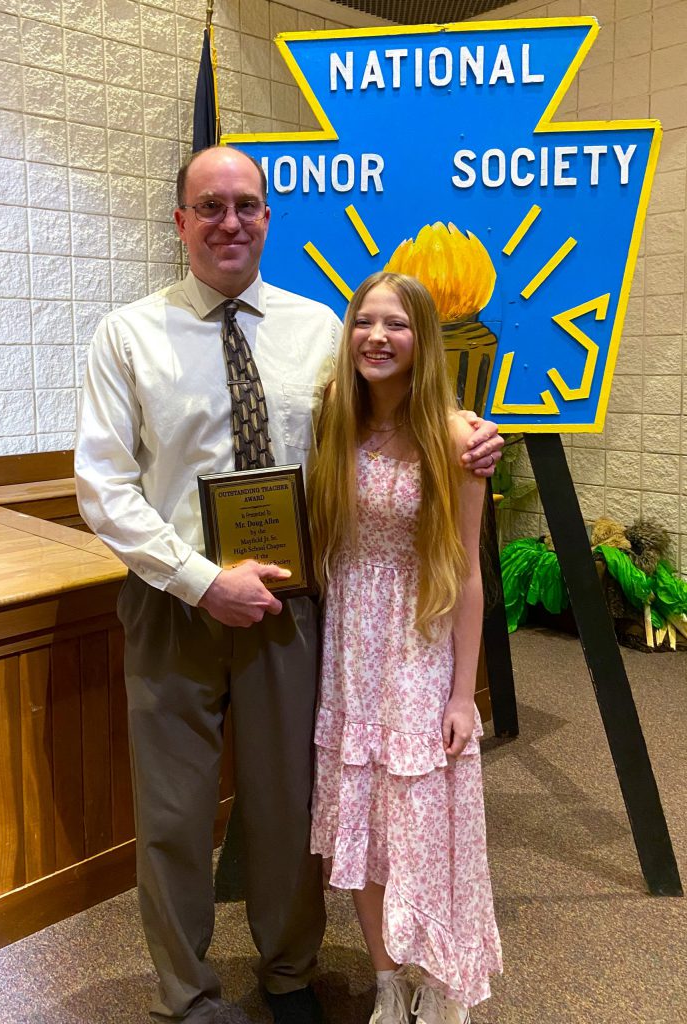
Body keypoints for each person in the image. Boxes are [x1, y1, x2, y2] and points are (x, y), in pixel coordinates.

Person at [74, 146, 503, 1024]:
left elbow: (393, 415)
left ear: (268, 217)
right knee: (174, 816)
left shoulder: (322, 330)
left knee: (288, 808)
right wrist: (201, 580)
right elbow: (103, 488)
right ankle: (188, 995)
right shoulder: (127, 335)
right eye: (210, 207)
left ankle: (288, 974)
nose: (230, 222)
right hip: (174, 604)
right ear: (181, 222)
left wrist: (469, 435)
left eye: (247, 205)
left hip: (297, 610)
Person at [309, 272, 502, 1024]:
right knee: (360, 820)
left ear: (424, 339)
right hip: (349, 642)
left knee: (419, 820)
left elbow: (464, 568)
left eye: (397, 325)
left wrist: (463, 692)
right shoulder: (334, 414)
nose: (378, 337)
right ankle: (387, 980)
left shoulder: (455, 435)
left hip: (418, 639)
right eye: (365, 322)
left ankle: (434, 965)